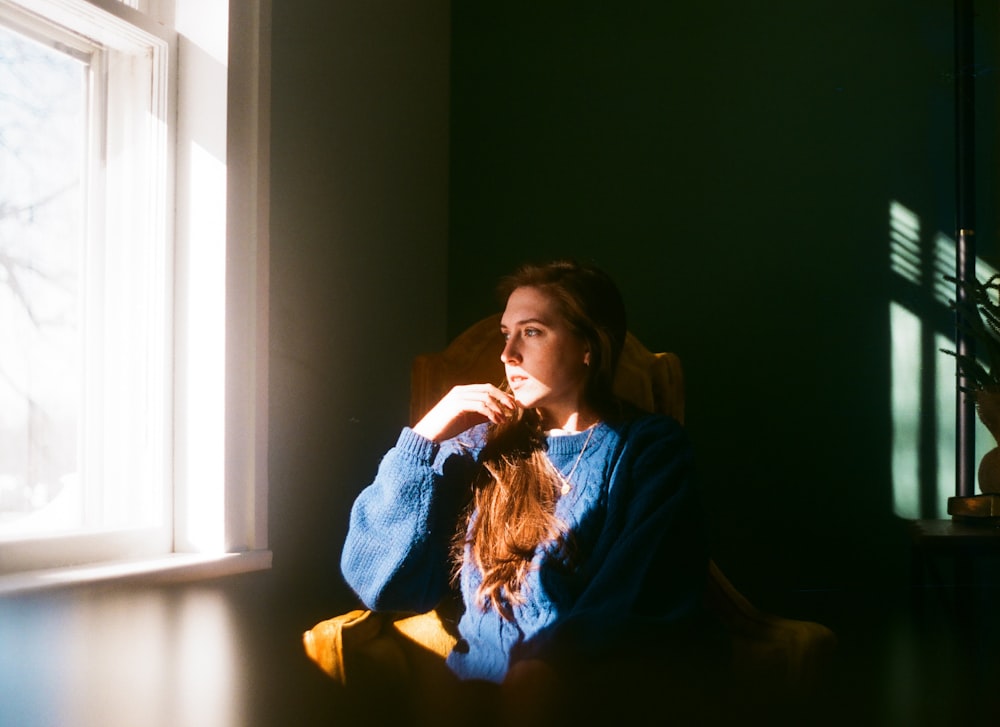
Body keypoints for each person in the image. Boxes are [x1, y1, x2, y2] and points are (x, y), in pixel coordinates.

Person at [340, 259, 724, 717]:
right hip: (477, 690)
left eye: (533, 331)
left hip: (597, 687)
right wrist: (421, 438)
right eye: (507, 334)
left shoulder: (648, 448)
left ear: (589, 346)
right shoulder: (482, 445)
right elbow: (379, 584)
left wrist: (547, 668)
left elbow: (645, 588)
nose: (508, 355)